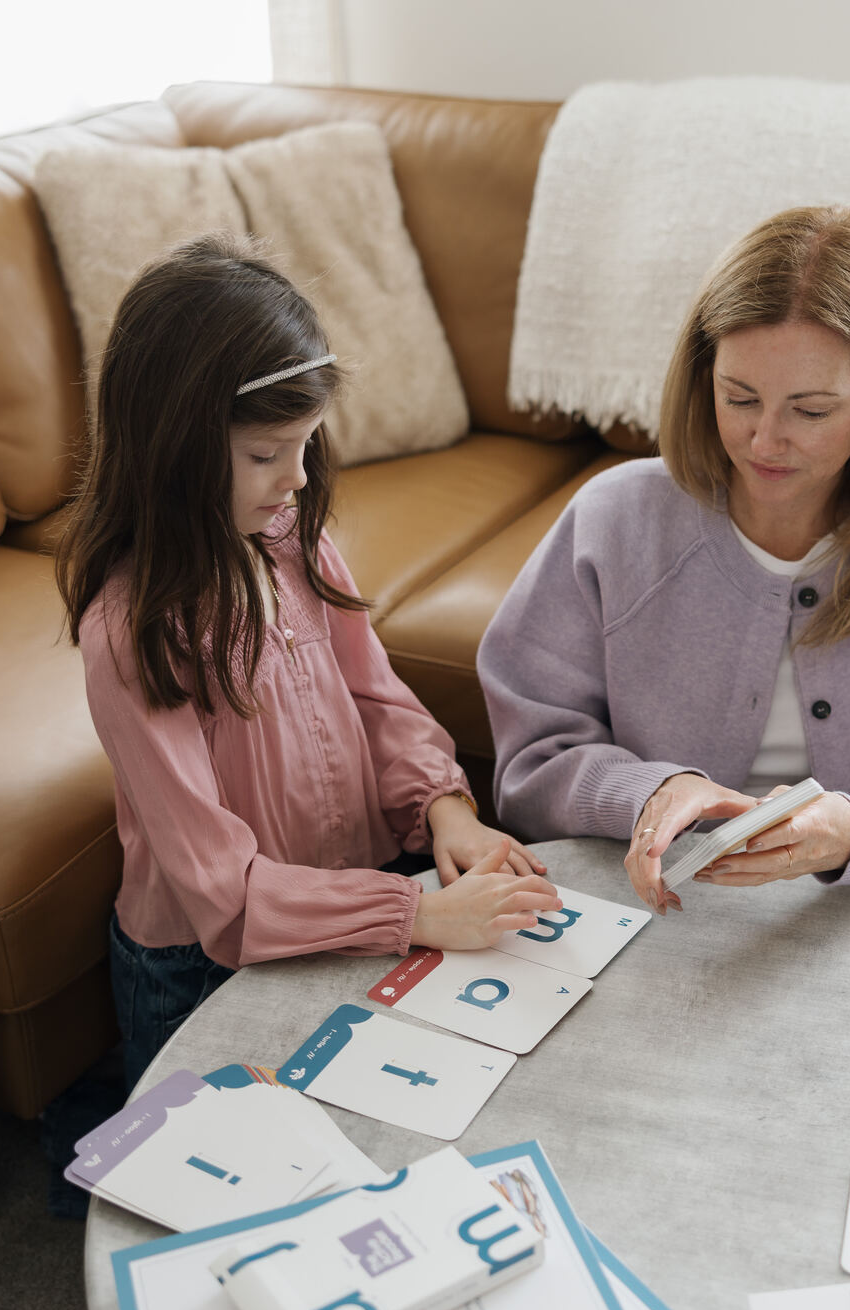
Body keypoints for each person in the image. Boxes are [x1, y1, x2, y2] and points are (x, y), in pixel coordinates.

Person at [58, 234, 560, 1087]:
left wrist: (447, 812)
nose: (294, 479)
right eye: (264, 454)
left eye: (305, 445)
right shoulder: (129, 631)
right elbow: (225, 897)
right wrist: (420, 910)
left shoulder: (293, 537)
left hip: (351, 901)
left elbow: (376, 698)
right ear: (172, 442)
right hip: (204, 969)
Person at [479, 205, 850, 913]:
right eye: (739, 397)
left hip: (841, 925)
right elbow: (531, 762)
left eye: (810, 410)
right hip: (639, 908)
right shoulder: (613, 519)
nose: (763, 440)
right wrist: (649, 793)